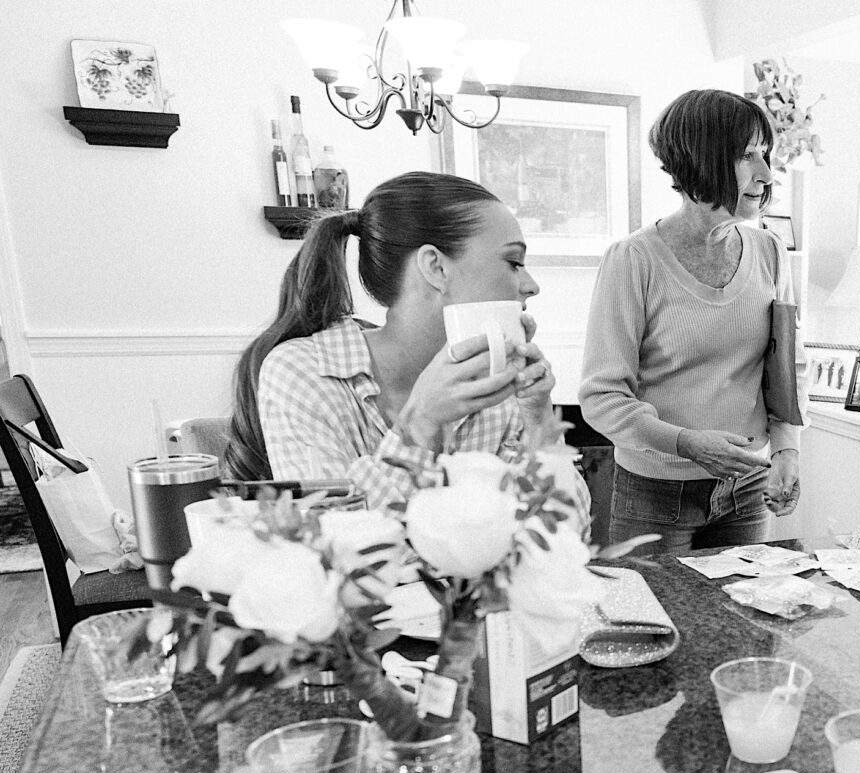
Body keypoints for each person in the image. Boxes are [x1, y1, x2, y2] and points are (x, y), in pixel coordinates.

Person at [226, 171, 565, 511]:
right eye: (514, 262)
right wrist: (420, 424)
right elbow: (331, 538)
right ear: (436, 268)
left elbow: (564, 532)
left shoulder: (497, 384)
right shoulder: (302, 373)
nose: (531, 285)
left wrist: (539, 422)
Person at [580, 88, 802, 555]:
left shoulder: (770, 252)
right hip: (654, 492)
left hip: (746, 487)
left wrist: (786, 450)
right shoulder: (633, 260)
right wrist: (687, 444)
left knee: (743, 625)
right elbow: (602, 397)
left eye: (765, 154)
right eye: (747, 156)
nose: (766, 174)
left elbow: (786, 372)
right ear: (701, 161)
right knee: (657, 625)